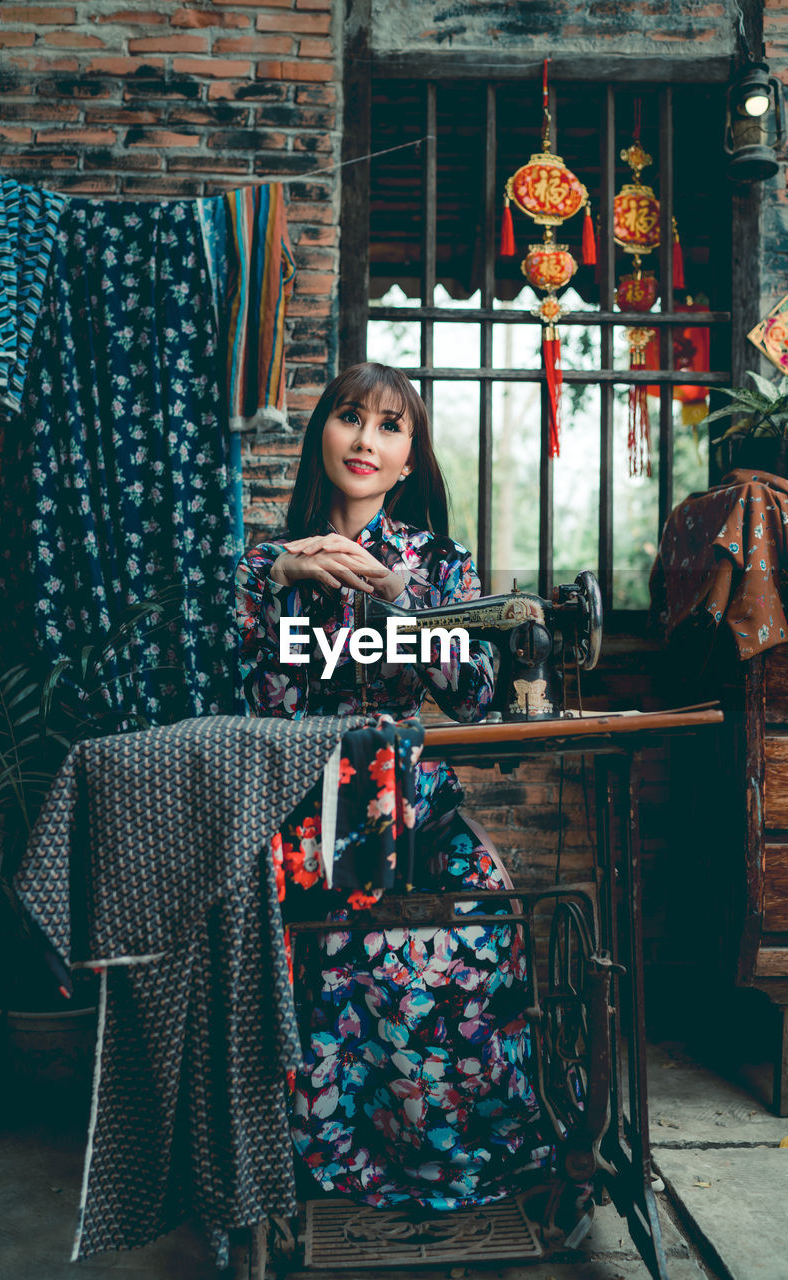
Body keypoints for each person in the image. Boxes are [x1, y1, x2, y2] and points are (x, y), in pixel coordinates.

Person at [235, 362, 547, 1211]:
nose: (366, 440)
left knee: (488, 920)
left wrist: (409, 616)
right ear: (321, 438)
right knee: (330, 956)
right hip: (316, 811)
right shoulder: (268, 566)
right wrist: (287, 587)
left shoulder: (439, 561)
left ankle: (455, 1141)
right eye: (349, 419)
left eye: (389, 426)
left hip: (422, 809)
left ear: (410, 458)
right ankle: (335, 1157)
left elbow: (476, 698)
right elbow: (265, 705)